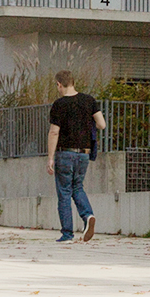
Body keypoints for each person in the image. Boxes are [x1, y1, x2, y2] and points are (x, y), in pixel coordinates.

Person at [46, 70, 105, 244]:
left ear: (59, 84)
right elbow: (102, 124)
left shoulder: (59, 104)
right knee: (77, 187)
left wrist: (50, 158)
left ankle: (67, 235)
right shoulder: (89, 101)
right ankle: (88, 215)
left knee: (64, 192)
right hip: (84, 154)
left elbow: (54, 132)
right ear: (73, 82)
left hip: (65, 153)